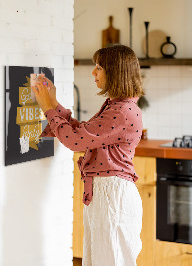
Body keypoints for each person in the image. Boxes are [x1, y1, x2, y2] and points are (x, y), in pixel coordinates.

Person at [32, 44, 144, 266]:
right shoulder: (117, 106)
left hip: (112, 197)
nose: (94, 73)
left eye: (99, 67)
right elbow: (83, 133)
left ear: (115, 72)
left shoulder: (121, 111)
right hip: (107, 195)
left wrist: (47, 107)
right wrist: (53, 104)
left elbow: (75, 141)